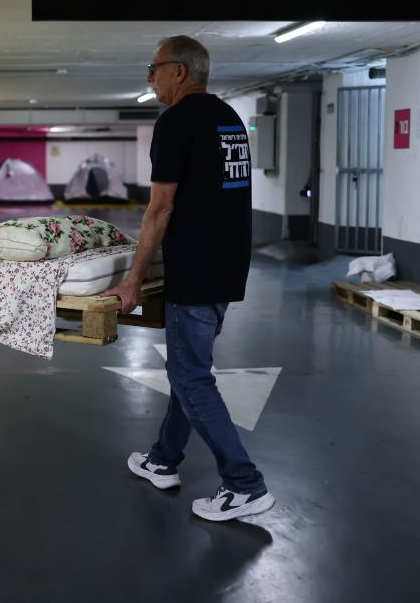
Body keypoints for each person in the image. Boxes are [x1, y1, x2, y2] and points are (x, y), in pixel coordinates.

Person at [103, 36, 274, 521]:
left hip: (195, 272)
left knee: (191, 378)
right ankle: (163, 459)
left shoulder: (176, 121)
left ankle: (243, 484)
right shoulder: (228, 119)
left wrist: (133, 278)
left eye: (153, 67)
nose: (149, 77)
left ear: (179, 70)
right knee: (188, 371)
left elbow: (161, 207)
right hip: (226, 268)